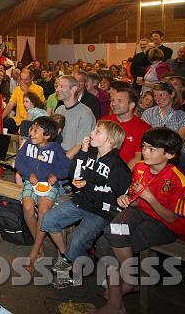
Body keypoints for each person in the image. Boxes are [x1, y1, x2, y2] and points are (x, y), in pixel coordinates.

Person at [95, 128, 185, 313]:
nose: (145, 152)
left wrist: (150, 198)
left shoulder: (179, 181)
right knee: (109, 234)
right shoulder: (140, 168)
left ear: (170, 154)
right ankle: (123, 293)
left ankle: (118, 300)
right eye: (144, 147)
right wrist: (125, 199)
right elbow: (135, 198)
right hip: (141, 212)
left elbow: (174, 219)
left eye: (152, 149)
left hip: (166, 225)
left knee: (106, 242)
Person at [28, 120, 130, 289]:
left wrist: (121, 203)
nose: (92, 133)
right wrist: (82, 154)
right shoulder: (89, 154)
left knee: (77, 240)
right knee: (49, 219)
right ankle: (68, 257)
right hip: (82, 201)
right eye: (94, 129)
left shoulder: (118, 168)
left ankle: (75, 273)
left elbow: (123, 196)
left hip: (101, 211)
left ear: (110, 141)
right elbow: (74, 177)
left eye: (98, 132)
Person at [14, 117, 69, 254]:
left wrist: (54, 175)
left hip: (49, 185)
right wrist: (29, 173)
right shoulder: (28, 144)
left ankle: (35, 250)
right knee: (27, 207)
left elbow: (66, 168)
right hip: (30, 182)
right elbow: (19, 161)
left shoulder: (56, 149)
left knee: (44, 212)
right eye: (31, 129)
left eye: (35, 130)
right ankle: (39, 246)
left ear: (47, 136)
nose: (31, 133)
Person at [141, 83, 185, 171]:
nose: (158, 99)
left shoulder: (183, 117)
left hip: (177, 153)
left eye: (161, 94)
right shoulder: (148, 113)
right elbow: (145, 137)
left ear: (172, 94)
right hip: (152, 151)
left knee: (172, 160)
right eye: (155, 95)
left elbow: (177, 142)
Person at [102, 88, 151, 169]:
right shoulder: (104, 121)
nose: (114, 104)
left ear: (131, 105)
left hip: (125, 171)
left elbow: (139, 157)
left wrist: (122, 175)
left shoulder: (144, 128)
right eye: (113, 100)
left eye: (119, 101)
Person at [54, 76, 96, 159]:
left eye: (61, 86)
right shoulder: (59, 109)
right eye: (57, 86)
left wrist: (61, 161)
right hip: (57, 153)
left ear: (73, 89)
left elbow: (79, 146)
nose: (57, 89)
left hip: (71, 158)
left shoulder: (85, 113)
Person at [2, 69, 46, 134]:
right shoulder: (17, 89)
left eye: (26, 80)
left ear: (32, 78)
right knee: (4, 124)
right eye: (21, 79)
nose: (23, 82)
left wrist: (26, 90)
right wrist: (1, 118)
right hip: (18, 120)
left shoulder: (39, 89)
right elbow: (10, 104)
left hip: (31, 121)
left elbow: (40, 106)